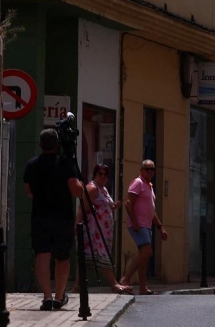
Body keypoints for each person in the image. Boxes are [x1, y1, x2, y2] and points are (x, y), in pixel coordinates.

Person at [23, 128, 83, 311]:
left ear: (41, 145)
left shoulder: (32, 164)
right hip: (62, 217)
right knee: (62, 257)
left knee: (42, 254)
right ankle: (58, 297)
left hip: (40, 216)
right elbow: (77, 190)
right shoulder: (65, 164)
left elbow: (28, 191)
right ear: (57, 145)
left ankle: (47, 297)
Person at [71, 164, 131, 294]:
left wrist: (118, 204)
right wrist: (77, 224)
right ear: (95, 175)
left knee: (85, 259)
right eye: (100, 174)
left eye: (105, 174)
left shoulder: (103, 189)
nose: (103, 176)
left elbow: (110, 207)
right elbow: (83, 207)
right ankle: (114, 284)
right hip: (93, 231)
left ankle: (77, 286)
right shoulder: (92, 188)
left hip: (103, 232)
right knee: (102, 256)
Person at [119, 160, 168, 295]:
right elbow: (128, 203)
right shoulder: (138, 183)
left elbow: (151, 211)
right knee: (147, 252)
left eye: (152, 169)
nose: (150, 172)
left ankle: (143, 287)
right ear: (141, 170)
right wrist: (134, 222)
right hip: (139, 224)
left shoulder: (150, 186)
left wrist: (160, 227)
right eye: (147, 169)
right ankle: (125, 278)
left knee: (144, 256)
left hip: (147, 225)